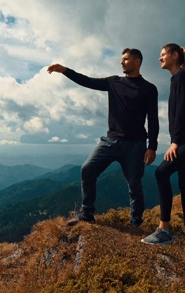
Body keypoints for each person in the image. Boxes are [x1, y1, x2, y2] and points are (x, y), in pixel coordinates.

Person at [47, 48, 159, 227]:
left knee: (134, 185)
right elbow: (88, 81)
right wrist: (65, 70)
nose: (122, 62)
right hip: (111, 141)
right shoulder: (113, 82)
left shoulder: (149, 89)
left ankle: (136, 222)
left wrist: (152, 147)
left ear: (137, 62)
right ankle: (87, 214)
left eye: (126, 59)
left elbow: (153, 119)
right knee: (87, 169)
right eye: (121, 59)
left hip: (136, 145)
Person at [141, 43, 185, 245]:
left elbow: (182, 111)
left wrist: (175, 142)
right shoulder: (179, 77)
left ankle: (164, 229)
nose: (160, 58)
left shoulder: (182, 76)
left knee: (161, 172)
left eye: (163, 54)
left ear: (174, 55)